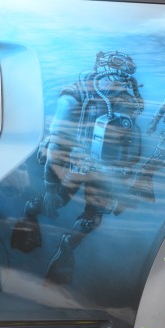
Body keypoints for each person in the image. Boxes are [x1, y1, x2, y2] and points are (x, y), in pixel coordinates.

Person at [12, 51, 144, 284]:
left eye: (126, 71)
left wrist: (125, 180)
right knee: (57, 202)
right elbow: (58, 141)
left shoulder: (126, 100)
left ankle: (66, 249)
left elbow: (129, 140)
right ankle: (30, 215)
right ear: (102, 66)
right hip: (76, 162)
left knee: (93, 219)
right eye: (117, 67)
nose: (121, 76)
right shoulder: (75, 95)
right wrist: (51, 188)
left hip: (107, 169)